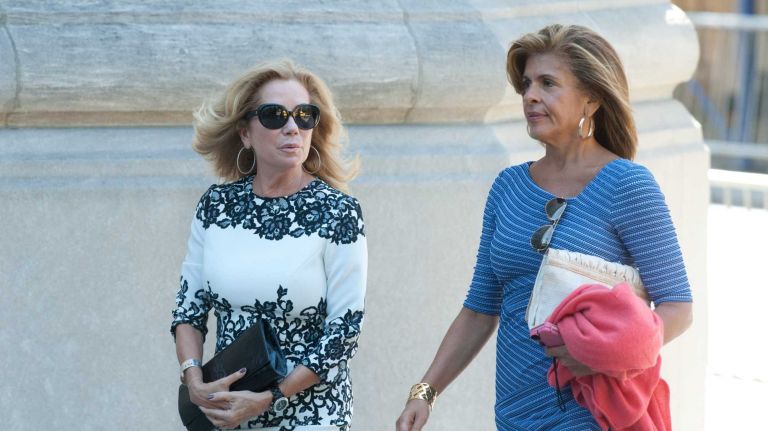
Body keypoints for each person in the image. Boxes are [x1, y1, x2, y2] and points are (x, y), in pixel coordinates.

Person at [395, 24, 693, 430]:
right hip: (514, 414)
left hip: (592, 412)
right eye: (527, 84)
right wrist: (425, 392)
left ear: (590, 100)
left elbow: (677, 307)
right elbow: (480, 309)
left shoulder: (628, 185)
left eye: (548, 83)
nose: (530, 95)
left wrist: (607, 351)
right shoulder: (508, 187)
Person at [171, 60, 367, 431]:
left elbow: (344, 331)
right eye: (274, 116)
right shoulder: (216, 206)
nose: (292, 127)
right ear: (245, 133)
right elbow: (188, 308)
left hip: (312, 415)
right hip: (226, 413)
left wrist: (270, 399)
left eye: (304, 116)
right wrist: (193, 377)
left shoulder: (339, 211)